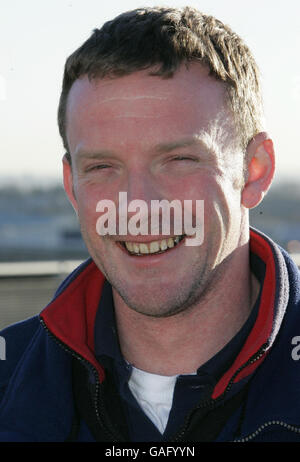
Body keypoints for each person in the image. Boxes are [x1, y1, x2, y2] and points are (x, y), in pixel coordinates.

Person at [0, 6, 300, 443]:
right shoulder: (10, 385)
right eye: (103, 167)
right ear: (72, 186)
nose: (137, 204)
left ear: (254, 171)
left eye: (178, 160)